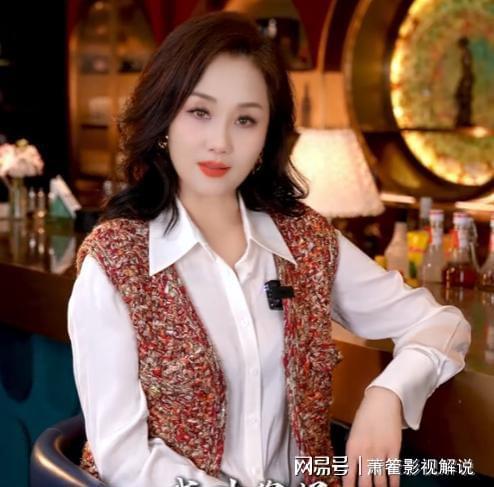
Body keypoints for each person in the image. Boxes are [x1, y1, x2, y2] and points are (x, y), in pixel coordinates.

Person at [67, 11, 471, 487]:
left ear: (266, 137)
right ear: (164, 119)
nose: (220, 142)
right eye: (200, 112)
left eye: (245, 120)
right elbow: (123, 459)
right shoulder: (117, 262)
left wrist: (389, 394)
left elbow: (441, 324)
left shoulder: (306, 242)